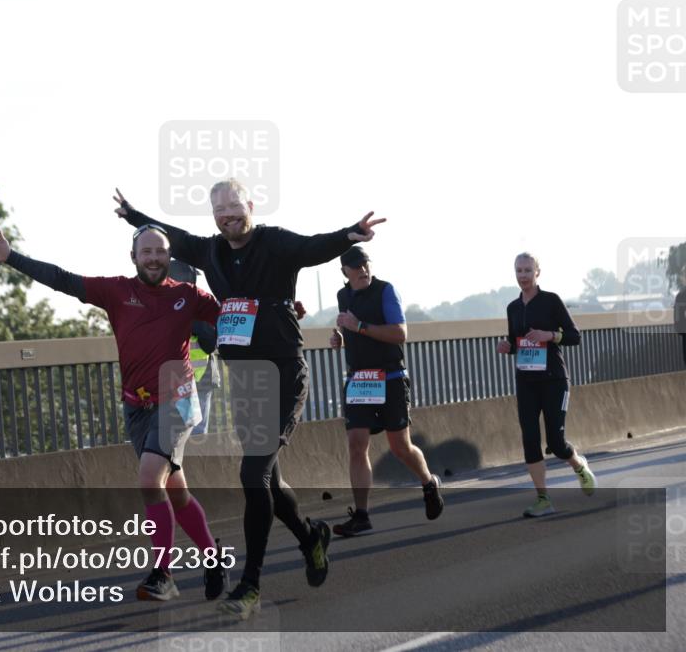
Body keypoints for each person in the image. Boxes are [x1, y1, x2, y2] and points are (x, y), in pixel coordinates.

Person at [113, 179, 386, 619]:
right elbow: (173, 237)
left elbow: (312, 247)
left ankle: (250, 585)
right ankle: (310, 536)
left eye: (234, 207)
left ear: (250, 206)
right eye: (219, 210)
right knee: (270, 483)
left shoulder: (273, 242)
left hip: (283, 376)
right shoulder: (211, 252)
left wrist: (349, 235)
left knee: (252, 474)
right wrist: (133, 216)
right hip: (245, 382)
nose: (228, 216)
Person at [0, 226, 228, 601]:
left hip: (178, 399)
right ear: (134, 257)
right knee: (175, 491)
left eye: (160, 252)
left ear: (169, 257)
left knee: (149, 479)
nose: (154, 258)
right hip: (137, 406)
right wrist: (11, 257)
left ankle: (163, 573)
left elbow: (236, 314)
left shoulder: (187, 294)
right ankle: (212, 558)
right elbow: (62, 279)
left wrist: (282, 310)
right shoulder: (117, 291)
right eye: (146, 252)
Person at [328, 246, 443, 537]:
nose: (363, 270)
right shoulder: (343, 296)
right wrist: (341, 336)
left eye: (365, 264)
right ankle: (362, 515)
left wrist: (359, 326)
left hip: (390, 377)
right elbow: (352, 328)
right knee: (356, 445)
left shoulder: (385, 291)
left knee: (400, 447)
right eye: (356, 266)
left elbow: (399, 333)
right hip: (359, 379)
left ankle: (428, 483)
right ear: (344, 272)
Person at [495, 252, 596, 518]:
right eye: (519, 271)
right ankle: (543, 499)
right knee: (530, 439)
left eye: (528, 270)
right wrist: (507, 347)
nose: (523, 276)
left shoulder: (551, 301)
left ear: (537, 272)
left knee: (556, 442)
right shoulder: (513, 308)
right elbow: (517, 342)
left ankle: (578, 465)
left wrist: (549, 335)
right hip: (526, 381)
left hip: (554, 380)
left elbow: (574, 336)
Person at [168, 260, 220, 435]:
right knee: (193, 433)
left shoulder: (199, 303)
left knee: (188, 433)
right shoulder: (198, 303)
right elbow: (210, 343)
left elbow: (210, 342)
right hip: (188, 378)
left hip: (194, 378)